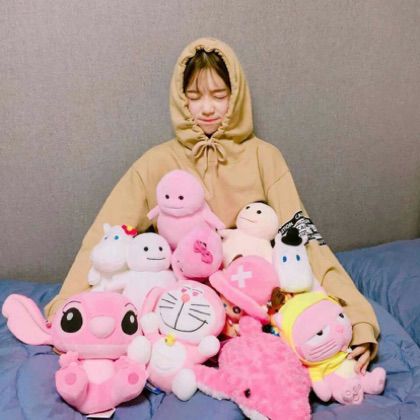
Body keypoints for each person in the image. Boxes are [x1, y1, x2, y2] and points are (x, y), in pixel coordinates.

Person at [45, 37, 379, 373]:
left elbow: (302, 234)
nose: (207, 108)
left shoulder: (265, 157)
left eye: (219, 96)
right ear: (181, 100)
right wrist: (65, 307)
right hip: (180, 306)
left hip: (249, 301)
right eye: (195, 97)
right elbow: (105, 238)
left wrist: (358, 319)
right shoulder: (155, 162)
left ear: (236, 97)